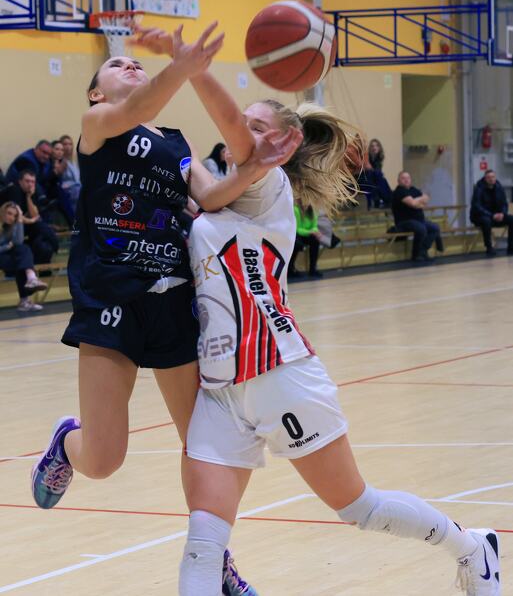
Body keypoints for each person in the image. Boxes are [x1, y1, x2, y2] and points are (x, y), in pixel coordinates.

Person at [155, 59, 499, 596]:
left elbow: (226, 145)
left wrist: (195, 70)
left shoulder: (269, 185)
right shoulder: (218, 191)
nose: (243, 132)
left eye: (257, 126)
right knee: (203, 544)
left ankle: (472, 548)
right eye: (244, 123)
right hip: (220, 391)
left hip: (279, 372)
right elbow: (189, 174)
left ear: (284, 146)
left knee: (358, 506)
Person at [29, 22, 298, 596]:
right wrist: (185, 67)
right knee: (104, 460)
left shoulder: (176, 142)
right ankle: (66, 443)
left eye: (136, 63)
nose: (130, 65)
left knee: (203, 445)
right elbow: (142, 105)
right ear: (96, 93)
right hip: (111, 295)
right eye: (116, 65)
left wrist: (258, 166)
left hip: (174, 298)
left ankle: (212, 556)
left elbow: (211, 195)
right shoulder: (98, 125)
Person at [0, 169, 59, 264]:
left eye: (33, 182)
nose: (30, 184)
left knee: (42, 243)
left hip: (19, 227)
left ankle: (42, 264)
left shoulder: (30, 192)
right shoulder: (14, 190)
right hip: (5, 228)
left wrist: (28, 197)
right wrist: (31, 221)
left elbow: (34, 215)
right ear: (20, 182)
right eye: (27, 181)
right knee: (39, 226)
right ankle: (56, 244)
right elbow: (15, 217)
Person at [0, 201, 48, 312]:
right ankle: (26, 295)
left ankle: (31, 279)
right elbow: (9, 246)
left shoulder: (11, 227)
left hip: (6, 258)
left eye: (15, 215)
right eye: (9, 213)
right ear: (2, 212)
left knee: (23, 252)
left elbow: (18, 242)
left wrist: (20, 219)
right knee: (22, 261)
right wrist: (7, 247)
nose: (12, 217)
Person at [391, 171, 444, 262]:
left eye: (408, 178)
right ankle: (416, 254)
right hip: (404, 221)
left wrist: (417, 202)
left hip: (419, 220)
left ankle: (423, 250)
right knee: (421, 229)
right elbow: (413, 203)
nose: (406, 180)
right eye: (403, 178)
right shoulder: (399, 191)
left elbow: (425, 200)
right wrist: (418, 201)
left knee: (435, 228)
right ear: (398, 181)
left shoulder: (413, 189)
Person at [470, 169, 513, 256]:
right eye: (489, 177)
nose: (491, 179)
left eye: (493, 177)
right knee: (486, 221)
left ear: (495, 177)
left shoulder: (499, 187)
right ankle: (489, 247)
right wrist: (492, 215)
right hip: (479, 216)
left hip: (496, 215)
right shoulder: (479, 188)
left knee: (511, 219)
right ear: (485, 179)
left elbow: (504, 203)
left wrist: (502, 213)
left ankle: (511, 247)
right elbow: (477, 206)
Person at [288, 201, 323, 279]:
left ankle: (313, 269)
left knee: (315, 241)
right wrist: (310, 232)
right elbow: (297, 229)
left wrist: (316, 232)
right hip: (297, 235)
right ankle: (290, 269)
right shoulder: (296, 210)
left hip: (307, 235)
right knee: (296, 244)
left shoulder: (313, 210)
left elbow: (314, 226)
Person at [59, 134, 81, 213]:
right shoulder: (60, 162)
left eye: (70, 144)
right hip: (68, 192)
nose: (68, 146)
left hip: (77, 191)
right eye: (65, 144)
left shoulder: (73, 162)